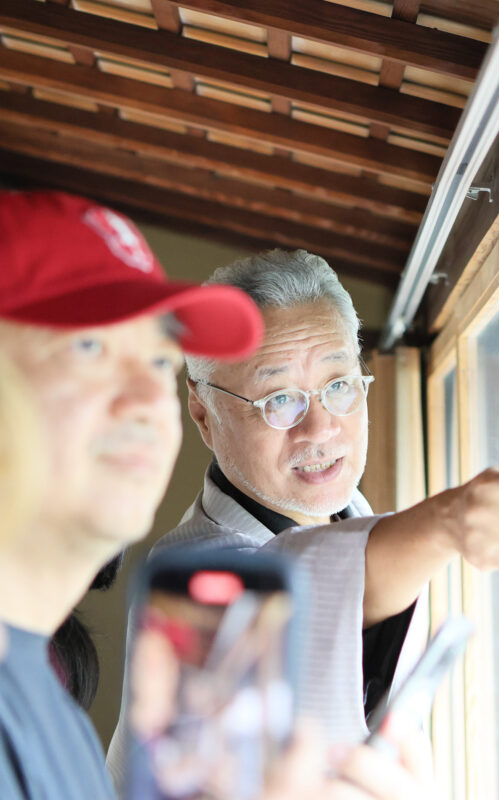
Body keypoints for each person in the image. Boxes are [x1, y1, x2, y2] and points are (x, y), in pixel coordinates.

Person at [0, 191, 435, 800]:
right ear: (204, 416)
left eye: (155, 359)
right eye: (89, 348)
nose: (146, 400)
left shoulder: (47, 683)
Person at [108, 248, 499, 787]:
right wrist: (448, 520)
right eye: (280, 399)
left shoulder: (355, 520)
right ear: (204, 415)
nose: (320, 429)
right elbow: (306, 579)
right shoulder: (190, 574)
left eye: (340, 386)